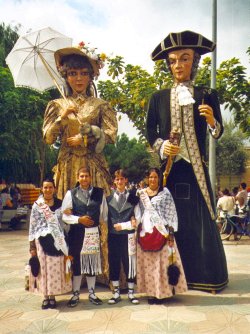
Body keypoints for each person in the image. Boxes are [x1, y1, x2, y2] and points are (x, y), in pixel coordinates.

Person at [146, 30, 228, 292]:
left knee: (200, 219)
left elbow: (219, 131)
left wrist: (212, 121)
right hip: (170, 171)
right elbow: (150, 134)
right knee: (167, 220)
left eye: (184, 59)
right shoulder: (157, 98)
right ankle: (169, 277)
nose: (178, 65)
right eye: (173, 60)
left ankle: (206, 276)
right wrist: (163, 147)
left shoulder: (206, 94)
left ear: (194, 62)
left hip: (196, 170)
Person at [43, 43, 117, 200]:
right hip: (67, 167)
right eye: (73, 73)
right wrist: (61, 117)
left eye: (84, 73)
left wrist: (85, 139)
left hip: (93, 166)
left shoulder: (101, 105)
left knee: (95, 213)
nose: (78, 78)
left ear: (90, 77)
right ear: (66, 76)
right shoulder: (57, 105)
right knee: (68, 213)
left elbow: (111, 135)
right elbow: (48, 138)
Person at [136, 168, 187, 304]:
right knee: (149, 265)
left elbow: (171, 213)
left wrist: (170, 234)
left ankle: (162, 293)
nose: (152, 180)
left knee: (162, 264)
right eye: (150, 177)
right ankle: (151, 293)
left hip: (162, 233)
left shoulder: (165, 193)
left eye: (155, 177)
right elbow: (137, 211)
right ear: (147, 178)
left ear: (159, 178)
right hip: (146, 233)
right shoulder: (141, 194)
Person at [62, 166, 108, 307]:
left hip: (93, 233)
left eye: (86, 176)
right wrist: (78, 219)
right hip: (77, 234)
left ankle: (92, 293)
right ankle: (75, 294)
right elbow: (64, 215)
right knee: (77, 264)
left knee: (92, 264)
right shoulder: (71, 194)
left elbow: (104, 214)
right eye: (81, 176)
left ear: (90, 177)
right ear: (77, 177)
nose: (84, 179)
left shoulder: (99, 193)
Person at [28, 179, 71, 309]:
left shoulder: (60, 204)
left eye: (50, 187)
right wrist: (32, 248)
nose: (48, 190)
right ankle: (45, 296)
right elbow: (33, 226)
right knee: (43, 270)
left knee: (54, 269)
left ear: (54, 188)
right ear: (41, 189)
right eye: (45, 187)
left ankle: (52, 296)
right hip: (41, 242)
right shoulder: (37, 205)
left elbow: (65, 223)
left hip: (56, 241)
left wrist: (68, 215)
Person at [106, 169, 140, 304]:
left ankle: (131, 293)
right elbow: (104, 217)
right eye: (117, 179)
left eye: (122, 179)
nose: (120, 181)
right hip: (113, 236)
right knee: (114, 262)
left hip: (128, 236)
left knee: (129, 263)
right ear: (114, 181)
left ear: (126, 180)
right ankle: (116, 293)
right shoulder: (108, 199)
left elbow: (137, 219)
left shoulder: (133, 198)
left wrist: (126, 225)